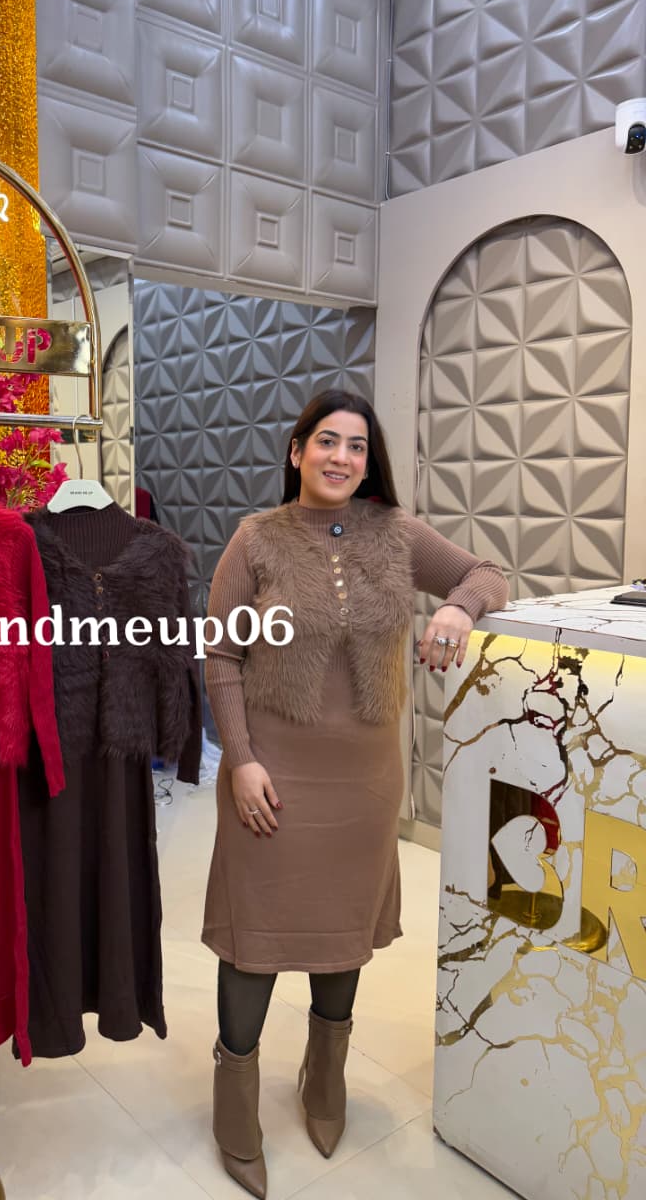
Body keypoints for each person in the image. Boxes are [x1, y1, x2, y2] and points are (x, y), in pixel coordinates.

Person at [201, 390, 509, 1197]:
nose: (342, 457)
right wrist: (240, 760)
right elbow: (221, 657)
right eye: (328, 441)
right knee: (255, 940)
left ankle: (324, 1077)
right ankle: (234, 1102)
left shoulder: (396, 534)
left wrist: (457, 607)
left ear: (369, 463)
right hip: (272, 776)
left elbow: (487, 573)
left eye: (357, 446)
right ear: (297, 451)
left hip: (364, 784)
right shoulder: (255, 540)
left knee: (343, 937)